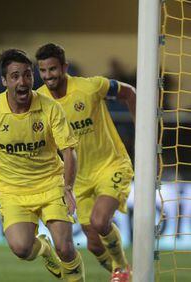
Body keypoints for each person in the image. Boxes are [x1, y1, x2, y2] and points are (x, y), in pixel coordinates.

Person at [0, 49, 85, 281]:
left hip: (51, 185)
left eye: (27, 75)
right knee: (21, 249)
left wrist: (68, 188)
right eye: (15, 76)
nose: (23, 81)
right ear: (4, 81)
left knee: (66, 248)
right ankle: (44, 249)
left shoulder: (50, 108)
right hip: (13, 191)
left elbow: (69, 150)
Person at [35, 43, 136, 282]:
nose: (48, 75)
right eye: (43, 70)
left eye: (53, 69)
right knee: (93, 245)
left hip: (111, 165)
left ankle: (122, 268)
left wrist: (143, 131)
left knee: (100, 221)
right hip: (77, 178)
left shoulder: (91, 87)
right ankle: (122, 274)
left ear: (64, 67)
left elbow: (130, 93)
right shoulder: (39, 100)